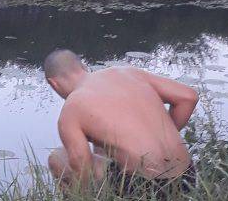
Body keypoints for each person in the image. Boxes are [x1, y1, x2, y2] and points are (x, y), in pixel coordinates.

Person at [43, 49, 198, 192]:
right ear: (83, 67)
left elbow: (81, 163)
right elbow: (188, 97)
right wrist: (163, 134)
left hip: (144, 188)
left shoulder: (71, 109)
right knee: (102, 147)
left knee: (58, 157)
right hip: (187, 179)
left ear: (53, 83)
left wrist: (85, 197)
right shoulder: (128, 73)